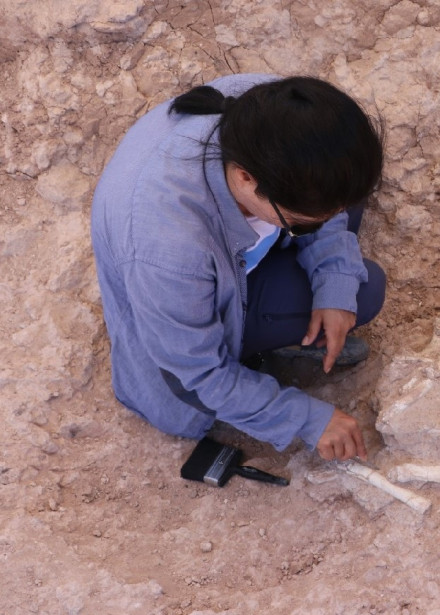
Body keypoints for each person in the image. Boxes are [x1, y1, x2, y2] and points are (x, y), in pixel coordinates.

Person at [91, 74, 385, 461]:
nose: (330, 220)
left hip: (228, 252)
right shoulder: (170, 250)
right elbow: (195, 376)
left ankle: (289, 270)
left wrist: (334, 281)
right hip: (182, 320)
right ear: (246, 178)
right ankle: (262, 355)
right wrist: (306, 419)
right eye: (305, 221)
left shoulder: (269, 111)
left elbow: (329, 212)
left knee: (343, 215)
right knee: (368, 287)